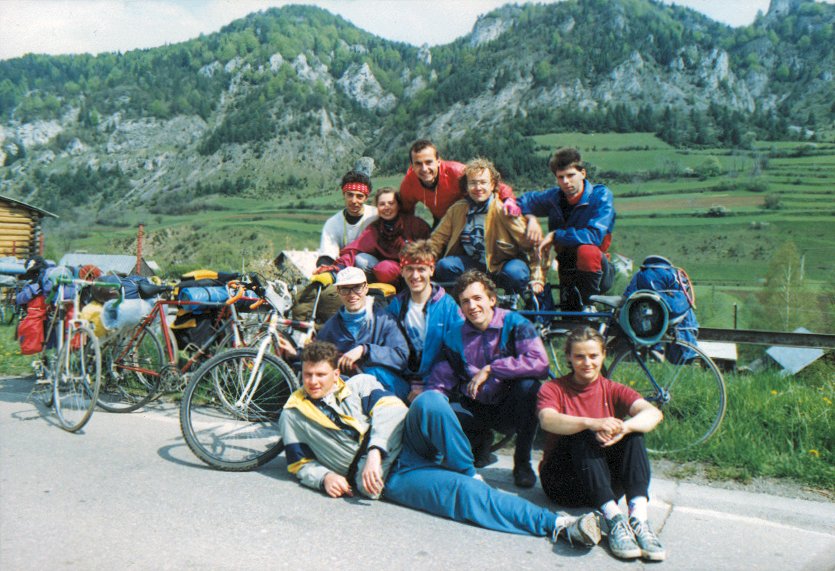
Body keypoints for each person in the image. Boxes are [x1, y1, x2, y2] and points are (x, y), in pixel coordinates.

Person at [280, 340, 602, 549]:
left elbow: (391, 408)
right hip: (392, 477)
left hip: (404, 440)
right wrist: (324, 477)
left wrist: (376, 450)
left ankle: (467, 470)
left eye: (320, 374)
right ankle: (561, 525)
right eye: (308, 375)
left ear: (336, 374)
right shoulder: (293, 413)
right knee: (464, 495)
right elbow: (299, 463)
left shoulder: (359, 383)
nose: (313, 382)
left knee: (431, 400)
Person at [537, 326, 666, 561]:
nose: (587, 363)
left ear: (603, 355)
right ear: (569, 357)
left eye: (593, 356)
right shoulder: (553, 388)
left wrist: (624, 428)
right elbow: (547, 419)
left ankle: (638, 519)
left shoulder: (612, 388)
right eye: (579, 356)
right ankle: (614, 519)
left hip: (603, 484)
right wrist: (592, 423)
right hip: (563, 483)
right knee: (581, 432)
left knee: (633, 433)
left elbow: (653, 413)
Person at [425, 270, 548, 488]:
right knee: (442, 408)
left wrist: (492, 369)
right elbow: (440, 380)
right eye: (465, 302)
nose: (472, 306)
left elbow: (540, 362)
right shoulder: (455, 334)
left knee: (530, 387)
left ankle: (522, 463)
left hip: (509, 405)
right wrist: (431, 402)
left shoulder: (515, 323)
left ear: (492, 299)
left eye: (477, 298)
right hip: (475, 405)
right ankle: (479, 442)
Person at [428, 157, 543, 295]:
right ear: (466, 186)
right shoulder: (457, 210)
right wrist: (424, 263)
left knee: (515, 273)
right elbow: (437, 240)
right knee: (445, 266)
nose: (478, 188)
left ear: (493, 185)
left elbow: (533, 245)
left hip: (503, 265)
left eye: (483, 182)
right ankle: (462, 302)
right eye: (473, 183)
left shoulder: (504, 210)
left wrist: (537, 278)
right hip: (473, 264)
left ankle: (523, 303)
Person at [518, 147, 615, 310]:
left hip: (595, 270)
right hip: (566, 266)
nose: (566, 181)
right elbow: (520, 201)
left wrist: (556, 235)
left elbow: (594, 235)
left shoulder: (601, 196)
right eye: (560, 177)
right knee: (569, 318)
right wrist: (531, 218)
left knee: (587, 251)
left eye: (571, 175)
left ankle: (589, 304)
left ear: (583, 173)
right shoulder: (554, 197)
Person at [315, 266, 411, 400]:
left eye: (357, 287)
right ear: (338, 291)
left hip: (389, 388)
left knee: (371, 372)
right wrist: (294, 353)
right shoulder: (331, 327)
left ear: (366, 288)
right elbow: (314, 357)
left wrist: (365, 350)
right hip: (351, 393)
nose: (352, 294)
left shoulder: (384, 320)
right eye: (345, 289)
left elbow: (401, 357)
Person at [386, 240, 463, 402]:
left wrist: (429, 386)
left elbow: (456, 355)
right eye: (409, 269)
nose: (415, 276)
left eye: (421, 269)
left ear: (431, 270)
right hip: (404, 382)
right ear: (402, 271)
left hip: (436, 385)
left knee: (428, 404)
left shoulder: (448, 307)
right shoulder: (396, 306)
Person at [314, 188, 431, 286]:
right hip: (386, 269)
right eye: (382, 204)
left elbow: (430, 247)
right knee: (362, 260)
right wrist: (335, 269)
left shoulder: (415, 224)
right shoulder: (375, 228)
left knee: (387, 269)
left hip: (414, 267)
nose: (387, 207)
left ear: (398, 205)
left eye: (391, 203)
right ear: (377, 207)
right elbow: (354, 250)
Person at [400, 139, 520, 226]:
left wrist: (508, 200)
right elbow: (405, 210)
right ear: (412, 165)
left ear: (438, 161)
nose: (424, 169)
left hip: (469, 216)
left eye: (428, 162)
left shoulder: (457, 172)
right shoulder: (409, 182)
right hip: (442, 220)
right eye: (418, 164)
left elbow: (497, 185)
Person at [317, 170, 378, 267]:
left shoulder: (376, 216)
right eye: (350, 195)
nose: (354, 201)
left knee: (360, 260)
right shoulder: (332, 223)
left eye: (359, 196)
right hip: (345, 266)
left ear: (366, 198)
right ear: (343, 194)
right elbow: (327, 255)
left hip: (372, 265)